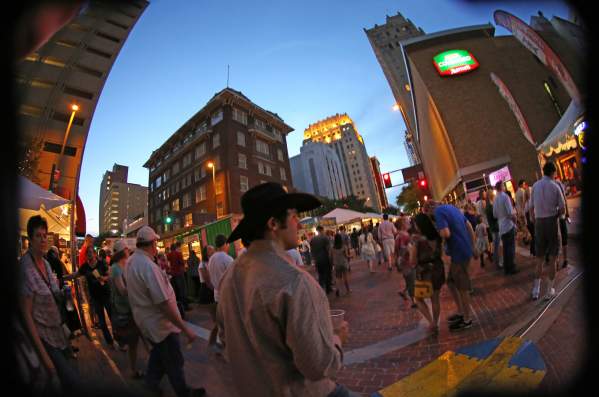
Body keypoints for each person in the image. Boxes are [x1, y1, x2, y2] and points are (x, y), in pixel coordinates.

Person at [216, 182, 352, 396]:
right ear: (273, 224)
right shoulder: (295, 282)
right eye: (294, 216)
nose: (298, 224)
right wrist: (336, 338)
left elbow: (224, 339)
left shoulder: (229, 278)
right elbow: (318, 366)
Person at [125, 226, 206, 397]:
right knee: (174, 360)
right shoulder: (147, 266)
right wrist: (184, 328)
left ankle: (150, 384)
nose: (157, 247)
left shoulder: (132, 262)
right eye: (156, 243)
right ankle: (183, 392)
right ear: (152, 243)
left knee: (160, 355)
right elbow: (163, 304)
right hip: (160, 323)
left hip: (146, 320)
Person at [20, 215, 79, 392]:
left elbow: (54, 294)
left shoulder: (45, 263)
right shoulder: (25, 269)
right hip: (43, 337)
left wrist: (65, 294)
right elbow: (26, 316)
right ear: (30, 239)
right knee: (70, 381)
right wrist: (44, 356)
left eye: (45, 235)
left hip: (58, 332)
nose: (43, 239)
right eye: (38, 235)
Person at [425, 201, 475, 331]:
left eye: (429, 216)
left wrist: (438, 232)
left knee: (462, 287)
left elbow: (446, 233)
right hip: (463, 249)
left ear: (430, 209)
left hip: (459, 252)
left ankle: (467, 319)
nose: (431, 219)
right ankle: (461, 312)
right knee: (451, 282)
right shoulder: (451, 208)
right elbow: (468, 225)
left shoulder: (438, 212)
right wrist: (472, 245)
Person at [529, 162, 566, 301]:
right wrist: (556, 215)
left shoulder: (535, 186)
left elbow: (531, 208)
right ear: (553, 172)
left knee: (539, 258)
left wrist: (534, 220)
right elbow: (562, 209)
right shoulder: (555, 186)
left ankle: (536, 289)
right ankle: (550, 289)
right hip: (551, 221)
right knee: (553, 257)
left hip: (539, 222)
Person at [67, 246, 116, 348]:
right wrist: (64, 278)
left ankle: (119, 339)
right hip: (95, 297)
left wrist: (103, 278)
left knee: (113, 318)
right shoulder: (85, 267)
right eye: (87, 253)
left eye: (91, 252)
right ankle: (110, 342)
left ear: (95, 254)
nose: (89, 254)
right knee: (102, 322)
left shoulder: (101, 263)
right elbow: (76, 274)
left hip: (106, 294)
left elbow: (109, 275)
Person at [108, 240, 144, 379]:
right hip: (124, 310)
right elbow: (122, 290)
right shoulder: (116, 268)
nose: (129, 251)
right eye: (127, 249)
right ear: (122, 251)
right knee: (135, 341)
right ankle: (133, 370)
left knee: (137, 339)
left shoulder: (126, 265)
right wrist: (139, 288)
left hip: (131, 307)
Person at [410, 213, 446, 334]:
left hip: (425, 272)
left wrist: (412, 248)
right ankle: (436, 322)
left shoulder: (418, 241)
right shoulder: (436, 236)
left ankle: (431, 323)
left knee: (418, 299)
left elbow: (413, 261)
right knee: (435, 298)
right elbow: (441, 254)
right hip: (438, 268)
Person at [206, 234, 234, 352]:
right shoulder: (227, 259)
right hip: (227, 295)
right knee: (229, 322)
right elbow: (234, 277)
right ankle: (225, 344)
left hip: (217, 295)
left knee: (221, 321)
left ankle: (218, 342)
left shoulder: (212, 258)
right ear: (225, 244)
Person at [493, 181, 519, 275]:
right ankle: (511, 267)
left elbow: (495, 214)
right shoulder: (505, 197)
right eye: (503, 185)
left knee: (505, 248)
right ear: (501, 187)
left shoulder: (495, 199)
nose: (504, 187)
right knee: (511, 248)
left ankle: (506, 268)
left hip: (501, 226)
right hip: (508, 225)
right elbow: (510, 213)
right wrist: (515, 223)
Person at [395, 219, 415, 308]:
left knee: (409, 280)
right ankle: (414, 301)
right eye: (407, 222)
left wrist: (398, 261)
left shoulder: (398, 236)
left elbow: (396, 251)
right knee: (412, 280)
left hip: (404, 262)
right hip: (407, 262)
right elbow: (403, 249)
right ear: (403, 225)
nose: (409, 223)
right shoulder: (404, 235)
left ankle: (405, 293)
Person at [167, 242, 189, 316]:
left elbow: (168, 263)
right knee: (183, 289)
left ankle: (179, 306)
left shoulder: (169, 255)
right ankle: (185, 306)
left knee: (176, 291)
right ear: (176, 247)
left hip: (173, 274)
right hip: (179, 273)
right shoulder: (178, 254)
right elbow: (182, 263)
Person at [310, 225, 333, 293]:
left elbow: (312, 251)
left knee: (320, 275)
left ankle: (321, 289)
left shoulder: (313, 239)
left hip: (317, 260)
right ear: (322, 230)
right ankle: (328, 289)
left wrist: (314, 259)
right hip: (325, 259)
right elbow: (328, 249)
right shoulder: (325, 238)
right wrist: (331, 259)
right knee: (327, 274)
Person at [554, 176, 570, 269]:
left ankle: (557, 261)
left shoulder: (546, 185)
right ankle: (565, 259)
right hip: (561, 214)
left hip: (553, 216)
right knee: (563, 236)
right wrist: (567, 212)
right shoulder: (558, 183)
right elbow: (564, 199)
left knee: (556, 238)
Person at [485, 190, 502, 269]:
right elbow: (495, 216)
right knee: (497, 246)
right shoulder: (490, 206)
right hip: (495, 227)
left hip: (493, 228)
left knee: (496, 246)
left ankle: (497, 262)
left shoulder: (488, 206)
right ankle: (498, 263)